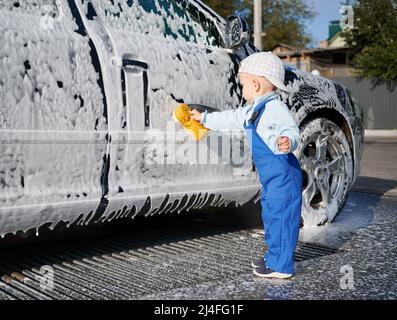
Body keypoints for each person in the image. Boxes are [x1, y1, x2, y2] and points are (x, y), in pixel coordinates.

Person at [189, 52, 302, 279]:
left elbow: (291, 129)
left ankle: (281, 266)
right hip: (271, 176)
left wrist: (288, 141)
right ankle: (274, 256)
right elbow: (231, 118)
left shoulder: (275, 109)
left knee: (281, 217)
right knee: (271, 215)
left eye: (242, 85)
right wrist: (205, 119)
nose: (241, 90)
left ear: (255, 84)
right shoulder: (252, 110)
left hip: (283, 173)